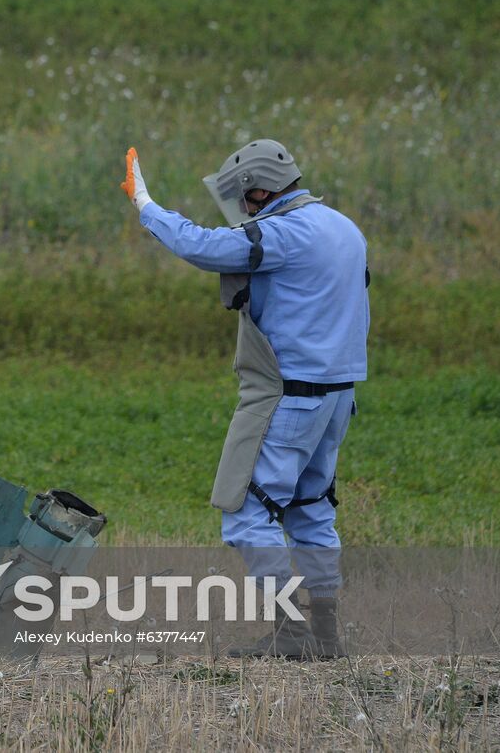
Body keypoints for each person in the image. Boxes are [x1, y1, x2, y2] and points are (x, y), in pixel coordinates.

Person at [120, 140, 368, 658]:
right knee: (311, 509)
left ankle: (292, 633)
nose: (242, 209)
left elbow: (205, 247)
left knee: (248, 514)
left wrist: (146, 205)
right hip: (338, 398)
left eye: (243, 198)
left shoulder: (285, 233)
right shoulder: (345, 228)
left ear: (259, 189)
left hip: (286, 397)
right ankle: (326, 636)